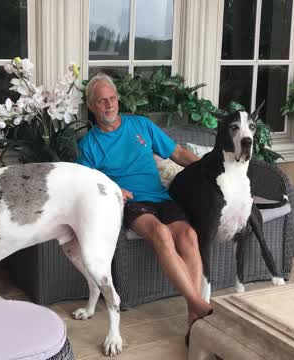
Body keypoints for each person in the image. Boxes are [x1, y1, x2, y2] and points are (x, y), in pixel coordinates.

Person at [77, 73, 213, 331]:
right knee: (161, 233)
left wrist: (210, 170)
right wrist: (115, 188)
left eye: (112, 98)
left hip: (160, 197)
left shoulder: (141, 125)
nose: (109, 104)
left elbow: (178, 154)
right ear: (92, 107)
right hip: (129, 202)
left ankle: (193, 319)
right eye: (102, 101)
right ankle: (198, 304)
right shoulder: (89, 145)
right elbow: (84, 183)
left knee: (188, 236)